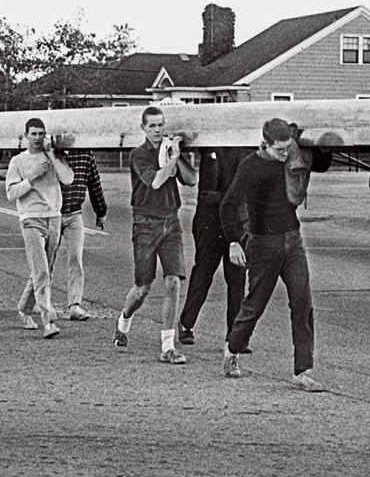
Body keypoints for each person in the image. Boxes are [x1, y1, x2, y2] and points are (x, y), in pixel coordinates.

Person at [219, 119, 323, 391]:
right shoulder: (250, 166)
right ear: (265, 144)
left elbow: (320, 163)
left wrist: (322, 144)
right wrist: (233, 242)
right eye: (279, 150)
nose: (285, 154)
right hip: (263, 244)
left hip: (293, 240)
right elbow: (227, 206)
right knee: (255, 305)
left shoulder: (291, 156)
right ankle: (232, 348)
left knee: (302, 303)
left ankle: (303, 371)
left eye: (288, 147)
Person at [116, 105, 197, 363]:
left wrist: (178, 157)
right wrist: (172, 159)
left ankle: (168, 346)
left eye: (161, 125)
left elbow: (191, 179)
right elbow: (155, 181)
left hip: (170, 220)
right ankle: (124, 319)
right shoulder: (138, 155)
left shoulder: (170, 150)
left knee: (173, 281)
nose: (157, 130)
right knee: (142, 288)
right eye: (152, 125)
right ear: (143, 128)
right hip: (145, 223)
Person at [177, 147, 253, 346]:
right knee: (204, 269)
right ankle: (186, 323)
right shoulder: (210, 143)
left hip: (238, 213)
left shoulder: (249, 144)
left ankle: (235, 334)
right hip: (210, 213)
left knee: (236, 276)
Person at [6, 118, 74, 339]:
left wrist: (52, 156)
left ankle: (24, 308)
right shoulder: (18, 161)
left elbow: (68, 179)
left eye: (41, 133)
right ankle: (48, 321)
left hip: (53, 216)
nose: (37, 138)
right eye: (33, 133)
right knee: (41, 270)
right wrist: (32, 177)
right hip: (31, 218)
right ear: (26, 135)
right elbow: (11, 193)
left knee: (45, 269)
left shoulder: (53, 157)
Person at [55, 147, 107, 320]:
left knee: (76, 260)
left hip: (74, 214)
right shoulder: (51, 152)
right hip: (52, 214)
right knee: (45, 261)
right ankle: (35, 302)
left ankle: (75, 305)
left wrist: (101, 211)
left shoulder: (85, 154)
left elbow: (94, 183)